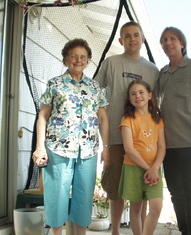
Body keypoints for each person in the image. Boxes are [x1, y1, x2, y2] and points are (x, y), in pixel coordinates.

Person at [32, 38, 109, 235]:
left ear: (88, 60)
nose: (78, 60)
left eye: (83, 56)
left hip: (88, 150)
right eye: (73, 55)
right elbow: (43, 116)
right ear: (66, 58)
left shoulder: (95, 87)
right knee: (57, 195)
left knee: (83, 197)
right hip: (58, 148)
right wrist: (40, 147)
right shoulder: (55, 84)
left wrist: (106, 147)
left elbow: (103, 118)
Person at [95, 21, 159, 235]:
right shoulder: (111, 63)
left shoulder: (153, 70)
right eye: (127, 36)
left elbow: (157, 102)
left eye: (136, 34)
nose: (132, 38)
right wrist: (101, 117)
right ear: (121, 40)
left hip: (145, 140)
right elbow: (95, 91)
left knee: (142, 189)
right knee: (116, 188)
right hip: (115, 135)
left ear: (143, 39)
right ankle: (115, 230)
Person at [157, 26, 191, 235]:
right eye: (164, 40)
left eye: (172, 39)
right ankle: (185, 231)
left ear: (182, 43)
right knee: (175, 194)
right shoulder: (162, 73)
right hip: (167, 146)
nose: (168, 43)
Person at [118, 80, 165, 235]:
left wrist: (155, 168)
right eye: (133, 94)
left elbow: (162, 147)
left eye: (141, 92)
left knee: (156, 207)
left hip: (154, 170)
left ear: (150, 95)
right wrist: (148, 169)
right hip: (133, 168)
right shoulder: (128, 119)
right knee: (136, 208)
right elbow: (129, 149)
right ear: (129, 99)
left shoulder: (158, 119)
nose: (137, 96)